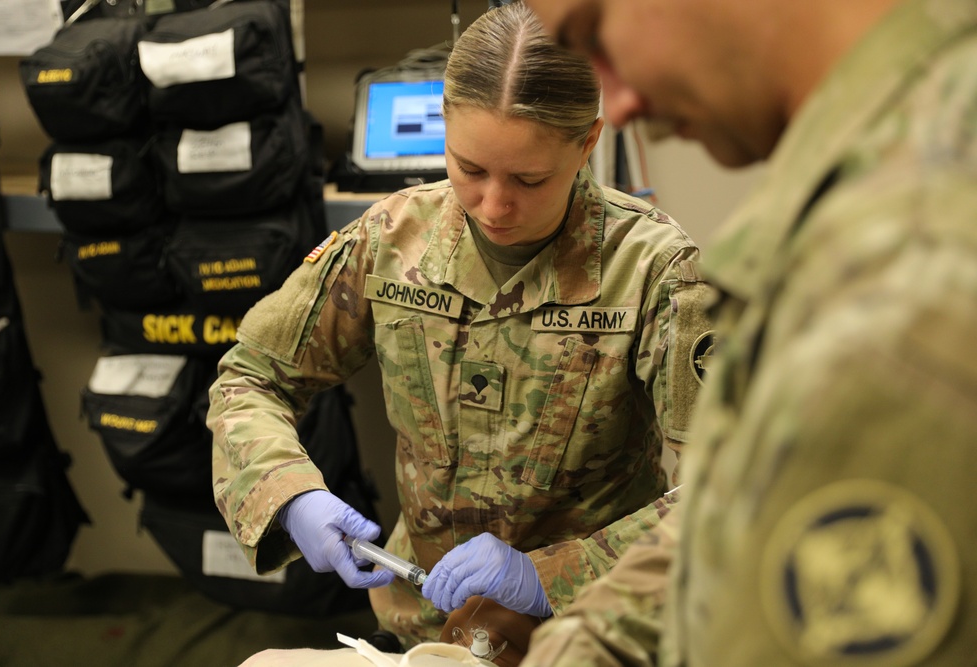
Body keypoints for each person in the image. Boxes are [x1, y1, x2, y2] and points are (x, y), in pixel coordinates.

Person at [208, 0, 713, 652]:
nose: (495, 205)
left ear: (587, 142)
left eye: (530, 178)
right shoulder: (391, 240)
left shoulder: (653, 270)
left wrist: (548, 575)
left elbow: (726, 489)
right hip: (420, 624)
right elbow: (250, 376)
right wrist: (292, 494)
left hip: (588, 630)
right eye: (469, 169)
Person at [518, 0, 977, 665]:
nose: (615, 103)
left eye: (595, 36)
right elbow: (737, 522)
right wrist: (587, 641)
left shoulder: (903, 287)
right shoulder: (899, 153)